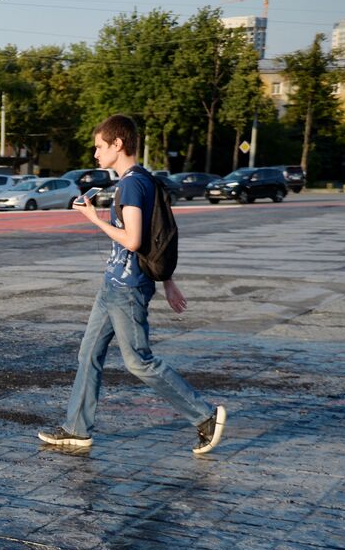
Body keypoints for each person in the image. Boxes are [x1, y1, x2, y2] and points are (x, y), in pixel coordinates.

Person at [38, 114, 226, 456]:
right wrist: (168, 281)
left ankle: (206, 416)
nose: (95, 154)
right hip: (113, 285)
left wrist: (93, 219)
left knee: (139, 361)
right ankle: (78, 429)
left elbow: (136, 240)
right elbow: (156, 237)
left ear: (117, 144)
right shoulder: (142, 180)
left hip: (127, 289)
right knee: (89, 353)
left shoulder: (132, 185)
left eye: (99, 146)